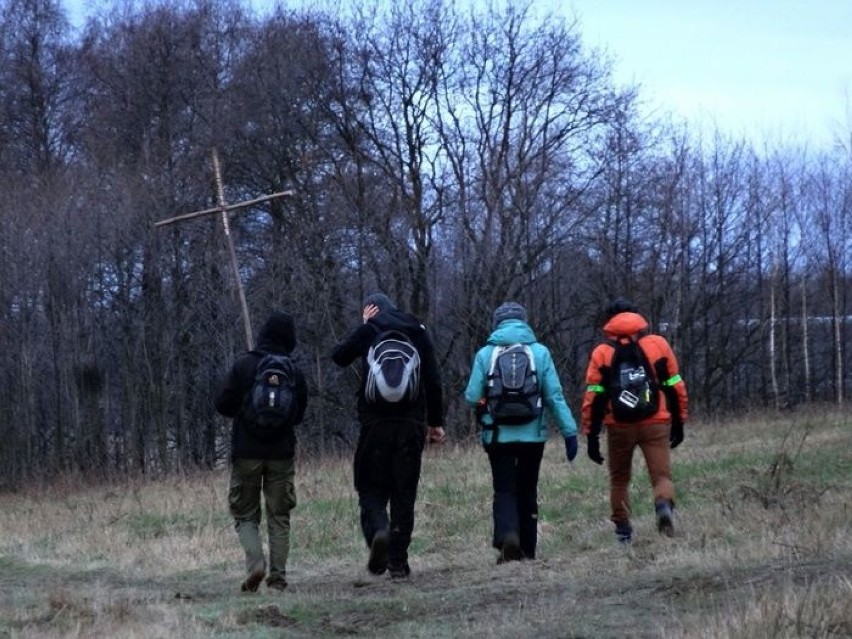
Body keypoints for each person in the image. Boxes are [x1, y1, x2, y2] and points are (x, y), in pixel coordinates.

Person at [331, 292, 445, 579]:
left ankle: (378, 530)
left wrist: (365, 325)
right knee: (404, 494)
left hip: (374, 426)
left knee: (369, 488)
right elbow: (433, 378)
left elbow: (339, 357)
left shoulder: (371, 328)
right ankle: (398, 562)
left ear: (371, 310)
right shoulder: (418, 330)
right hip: (411, 425)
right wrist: (435, 422)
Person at [464, 302, 578, 563]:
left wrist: (484, 407)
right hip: (533, 436)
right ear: (524, 322)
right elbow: (554, 396)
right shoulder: (540, 353)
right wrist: (569, 432)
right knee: (528, 489)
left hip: (497, 436)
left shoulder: (485, 354)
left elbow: (472, 396)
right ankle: (528, 550)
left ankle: (508, 535)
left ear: (497, 324)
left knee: (504, 489)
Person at [581, 298, 689, 543]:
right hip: (656, 422)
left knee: (619, 480)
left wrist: (591, 435)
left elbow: (593, 398)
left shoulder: (602, 352)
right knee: (661, 477)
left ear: (609, 321)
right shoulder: (658, 345)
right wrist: (679, 421)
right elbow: (675, 386)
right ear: (637, 318)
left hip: (619, 426)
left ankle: (623, 531)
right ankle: (663, 506)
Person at [215, 311, 308, 592]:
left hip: (246, 453)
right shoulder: (294, 371)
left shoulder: (244, 364)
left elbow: (222, 405)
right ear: (290, 339)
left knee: (245, 515)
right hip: (281, 454)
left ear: (264, 333)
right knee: (279, 517)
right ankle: (278, 579)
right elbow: (299, 415)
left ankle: (256, 563)